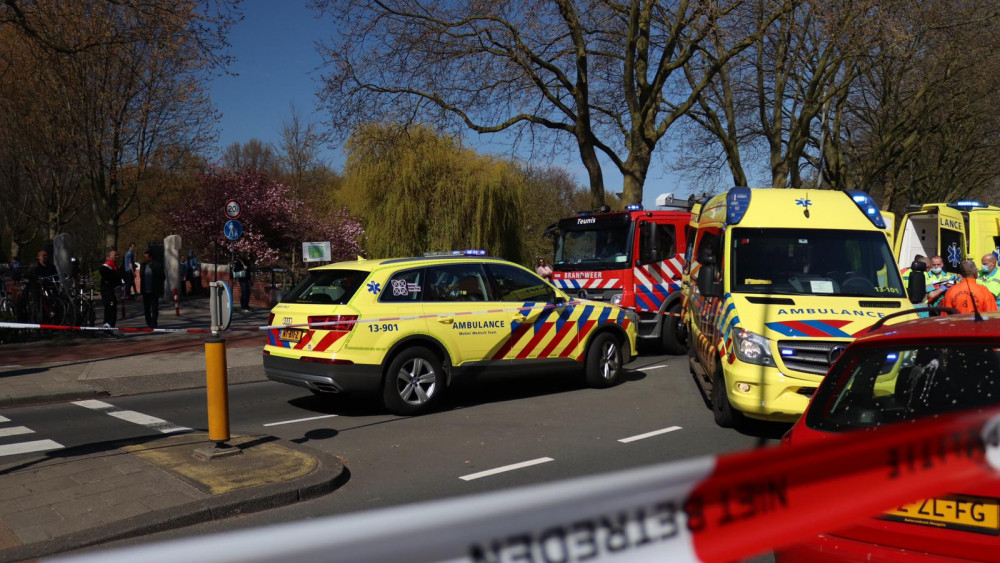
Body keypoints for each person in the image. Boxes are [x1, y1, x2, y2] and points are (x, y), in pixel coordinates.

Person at [99, 248, 125, 334]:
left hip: (113, 291)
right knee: (109, 309)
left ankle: (110, 328)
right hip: (108, 291)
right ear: (109, 256)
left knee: (113, 309)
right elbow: (105, 273)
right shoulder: (106, 266)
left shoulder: (114, 265)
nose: (117, 257)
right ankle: (107, 329)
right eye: (115, 255)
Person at [139, 250, 165, 328]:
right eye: (144, 257)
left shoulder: (157, 265)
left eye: (146, 257)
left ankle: (154, 323)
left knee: (154, 308)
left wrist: (158, 286)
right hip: (145, 291)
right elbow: (141, 276)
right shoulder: (143, 265)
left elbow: (163, 277)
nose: (145, 258)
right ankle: (148, 322)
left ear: (150, 257)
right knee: (146, 308)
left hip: (154, 291)